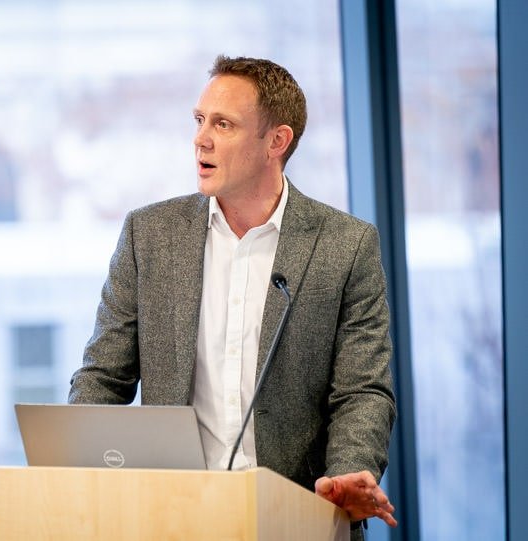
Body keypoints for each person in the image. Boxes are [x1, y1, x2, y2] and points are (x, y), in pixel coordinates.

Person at [68, 55, 397, 536]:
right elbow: (103, 376)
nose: (201, 138)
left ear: (276, 141)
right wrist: (71, 461)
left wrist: (348, 471)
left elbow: (361, 390)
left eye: (223, 124)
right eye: (200, 121)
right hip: (173, 518)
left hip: (295, 519)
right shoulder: (149, 235)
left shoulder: (345, 245)